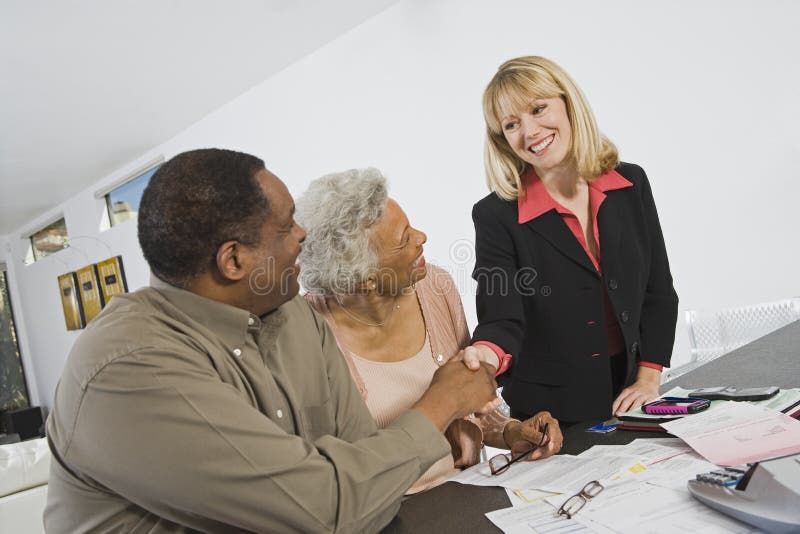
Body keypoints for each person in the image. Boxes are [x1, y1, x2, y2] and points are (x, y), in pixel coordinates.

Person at [44, 149, 501, 533]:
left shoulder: (294, 314)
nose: (303, 236)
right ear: (234, 260)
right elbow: (327, 508)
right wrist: (443, 400)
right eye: (286, 228)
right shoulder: (131, 368)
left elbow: (371, 489)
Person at [295, 167, 562, 494]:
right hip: (384, 514)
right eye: (405, 239)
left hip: (464, 496)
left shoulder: (434, 286)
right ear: (365, 278)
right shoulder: (304, 333)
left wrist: (512, 431)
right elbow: (328, 474)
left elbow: (469, 401)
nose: (422, 237)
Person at [466, 56, 679, 424]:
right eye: (512, 124)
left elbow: (657, 289)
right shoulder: (496, 215)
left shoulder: (630, 184)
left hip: (631, 394)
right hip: (549, 414)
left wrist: (649, 377)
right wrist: (484, 356)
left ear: (568, 103)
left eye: (538, 108)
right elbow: (501, 315)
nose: (529, 131)